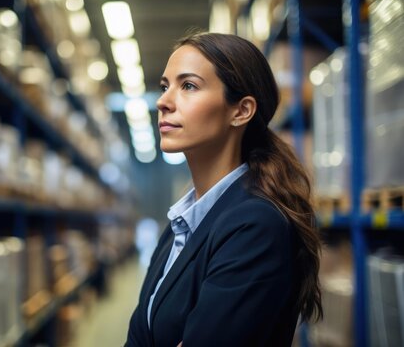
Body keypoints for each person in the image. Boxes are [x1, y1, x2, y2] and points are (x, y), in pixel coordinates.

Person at [125, 32, 323, 347]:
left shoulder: (255, 226)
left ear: (241, 111)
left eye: (188, 86)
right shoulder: (179, 226)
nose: (163, 101)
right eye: (165, 86)